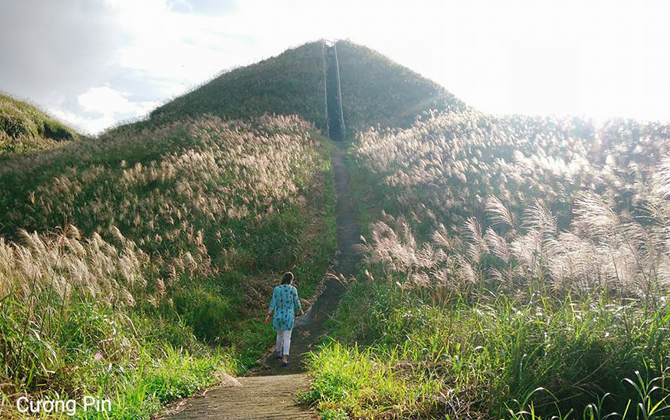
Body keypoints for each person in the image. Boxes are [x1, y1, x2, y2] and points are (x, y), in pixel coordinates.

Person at [264, 271, 304, 367]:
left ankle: (278, 353)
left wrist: (269, 314)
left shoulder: (277, 289)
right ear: (291, 280)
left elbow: (273, 302)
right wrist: (300, 310)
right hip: (289, 316)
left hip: (278, 315)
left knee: (279, 335)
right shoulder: (293, 290)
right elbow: (296, 301)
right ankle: (285, 359)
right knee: (287, 338)